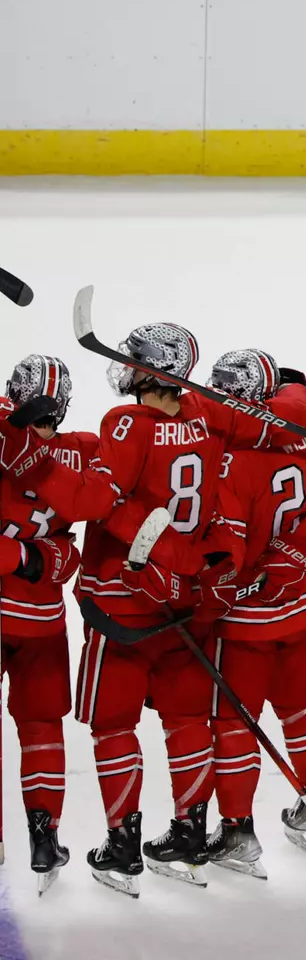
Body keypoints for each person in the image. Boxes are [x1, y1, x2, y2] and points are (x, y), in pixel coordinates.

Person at [58, 322, 306, 894]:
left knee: (112, 727)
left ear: (150, 370)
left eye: (134, 360)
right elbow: (279, 434)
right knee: (188, 723)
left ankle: (123, 846)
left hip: (122, 601)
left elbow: (97, 502)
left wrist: (46, 465)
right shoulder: (208, 416)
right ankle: (188, 833)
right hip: (188, 603)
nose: (124, 367)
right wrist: (209, 568)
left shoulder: (123, 422)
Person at [195, 350, 306, 876]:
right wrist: (300, 552)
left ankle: (239, 831)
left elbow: (229, 543)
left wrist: (208, 591)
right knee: (304, 711)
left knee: (234, 725)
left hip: (249, 616)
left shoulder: (233, 457)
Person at [0, 355, 96, 893]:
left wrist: (15, 558)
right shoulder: (80, 449)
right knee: (41, 729)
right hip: (41, 617)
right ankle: (44, 835)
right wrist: (47, 559)